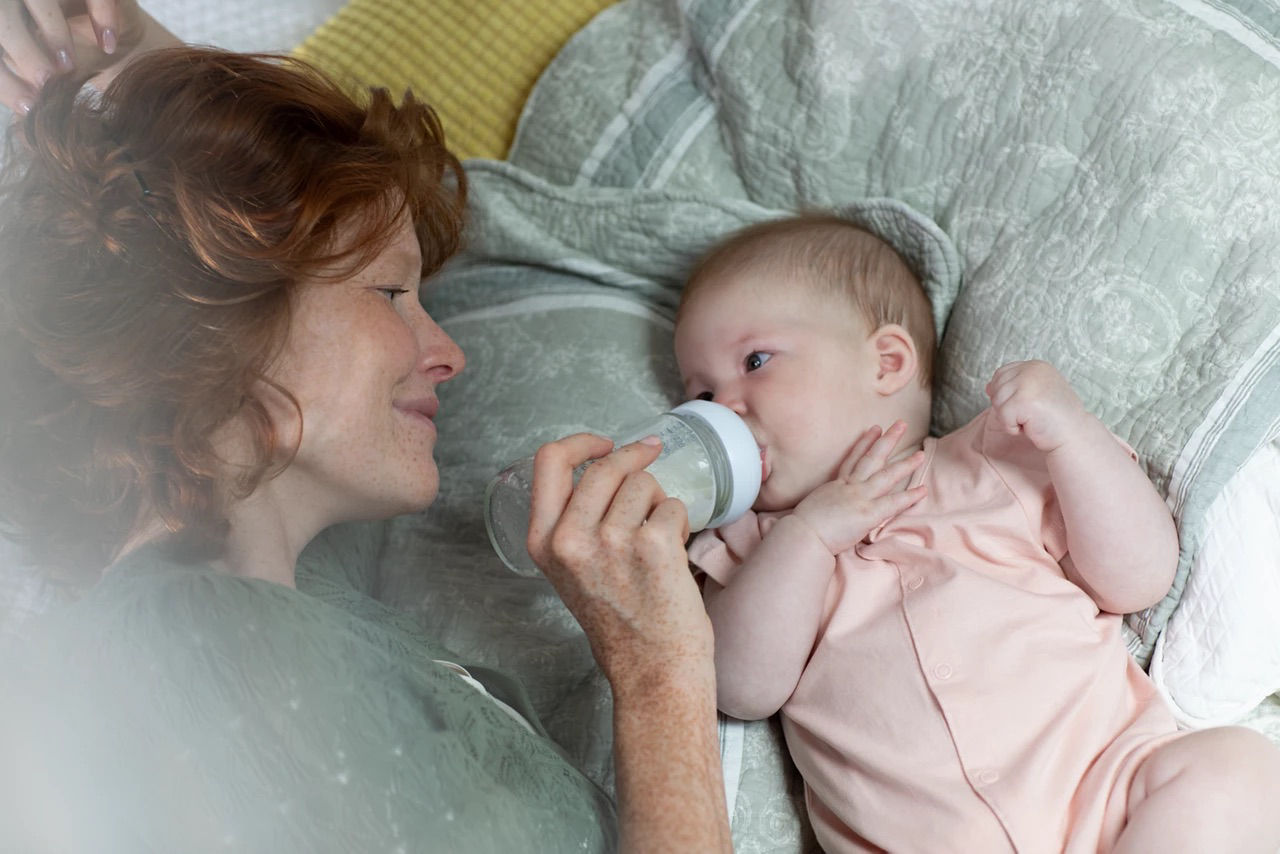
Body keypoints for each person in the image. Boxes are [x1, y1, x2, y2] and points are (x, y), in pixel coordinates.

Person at [0, 4, 731, 852]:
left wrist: (114, 43)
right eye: (391, 294)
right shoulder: (204, 646)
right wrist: (659, 677)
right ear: (216, 317)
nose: (449, 352)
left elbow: (213, 205)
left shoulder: (279, 601)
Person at [673, 213, 1280, 853]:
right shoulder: (753, 547)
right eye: (702, 393)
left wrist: (1071, 433)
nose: (725, 407)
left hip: (1104, 793)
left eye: (755, 361)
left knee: (1238, 770)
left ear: (887, 361)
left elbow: (1140, 578)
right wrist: (810, 536)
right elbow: (742, 688)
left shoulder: (992, 459)